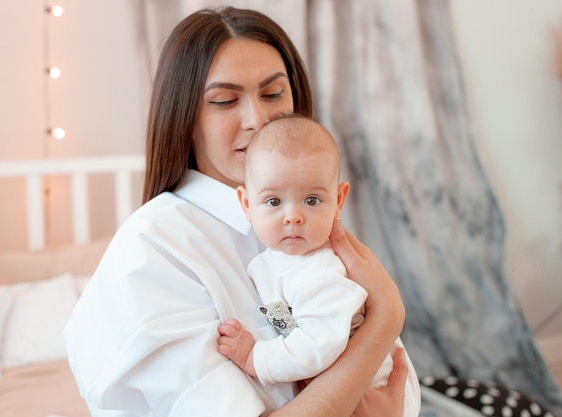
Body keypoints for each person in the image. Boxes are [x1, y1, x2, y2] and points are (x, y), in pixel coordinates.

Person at [64, 6, 408, 417]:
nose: (257, 120)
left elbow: (392, 382)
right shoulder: (152, 247)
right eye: (225, 101)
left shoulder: (310, 226)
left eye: (273, 94)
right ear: (185, 119)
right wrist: (387, 315)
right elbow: (370, 350)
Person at [217, 114, 421, 417]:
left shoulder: (321, 272)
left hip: (376, 390)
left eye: (311, 200)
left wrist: (256, 357)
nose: (293, 216)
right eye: (274, 202)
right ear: (246, 204)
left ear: (338, 200)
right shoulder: (277, 260)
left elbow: (316, 346)